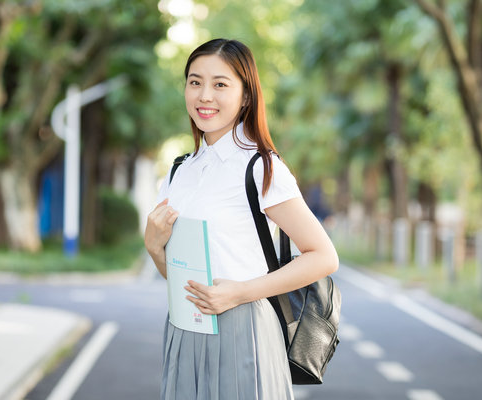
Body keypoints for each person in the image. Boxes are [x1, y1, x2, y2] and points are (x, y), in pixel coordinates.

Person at [144, 38, 339, 400]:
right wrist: (155, 249)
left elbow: (324, 256)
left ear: (245, 96)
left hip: (243, 329)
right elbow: (181, 275)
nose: (204, 95)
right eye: (195, 82)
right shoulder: (179, 172)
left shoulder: (260, 167)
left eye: (220, 84)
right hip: (185, 327)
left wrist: (239, 292)